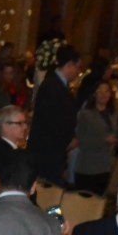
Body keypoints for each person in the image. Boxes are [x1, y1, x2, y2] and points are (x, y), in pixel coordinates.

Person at [28, 44, 82, 185]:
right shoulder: (52, 86)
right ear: (69, 65)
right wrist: (68, 140)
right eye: (77, 67)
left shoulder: (58, 84)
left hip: (53, 151)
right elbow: (52, 122)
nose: (78, 72)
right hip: (47, 152)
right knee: (49, 190)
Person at [73, 80, 118, 195]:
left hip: (105, 166)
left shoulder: (111, 114)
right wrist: (104, 141)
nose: (103, 94)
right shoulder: (86, 114)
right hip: (88, 167)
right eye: (100, 91)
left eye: (106, 91)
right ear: (94, 94)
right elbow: (81, 141)